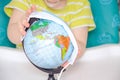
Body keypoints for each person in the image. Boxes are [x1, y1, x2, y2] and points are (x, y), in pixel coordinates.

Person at [4, 0, 96, 66]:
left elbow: (80, 45)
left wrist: (73, 51)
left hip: (58, 67)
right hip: (23, 64)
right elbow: (12, 37)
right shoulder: (25, 1)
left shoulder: (80, 5)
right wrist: (21, 27)